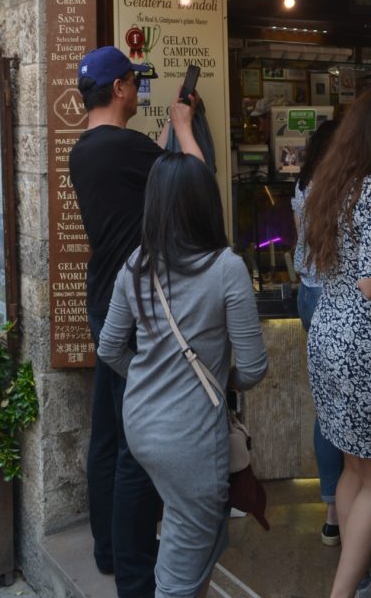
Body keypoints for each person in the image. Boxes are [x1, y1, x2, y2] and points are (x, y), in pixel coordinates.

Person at [98, 152, 268, 598]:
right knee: (179, 570)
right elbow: (253, 367)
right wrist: (218, 379)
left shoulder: (135, 264)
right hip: (190, 438)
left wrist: (147, 376)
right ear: (206, 204)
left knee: (202, 533)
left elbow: (110, 347)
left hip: (141, 425)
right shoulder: (226, 268)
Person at [69, 45, 204, 598]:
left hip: (104, 297)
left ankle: (106, 547)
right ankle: (133, 569)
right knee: (131, 441)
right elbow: (193, 181)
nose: (137, 90)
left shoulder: (84, 150)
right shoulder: (126, 148)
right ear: (121, 88)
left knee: (107, 426)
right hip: (136, 306)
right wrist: (183, 124)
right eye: (134, 81)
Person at [305, 86, 371, 598]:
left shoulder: (331, 185)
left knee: (355, 468)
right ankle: (343, 593)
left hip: (326, 334)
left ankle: (348, 588)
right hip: (361, 344)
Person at [292, 118, 344, 546]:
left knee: (325, 405)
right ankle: (350, 507)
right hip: (335, 297)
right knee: (342, 407)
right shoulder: (343, 189)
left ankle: (332, 510)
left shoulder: (301, 185)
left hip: (307, 294)